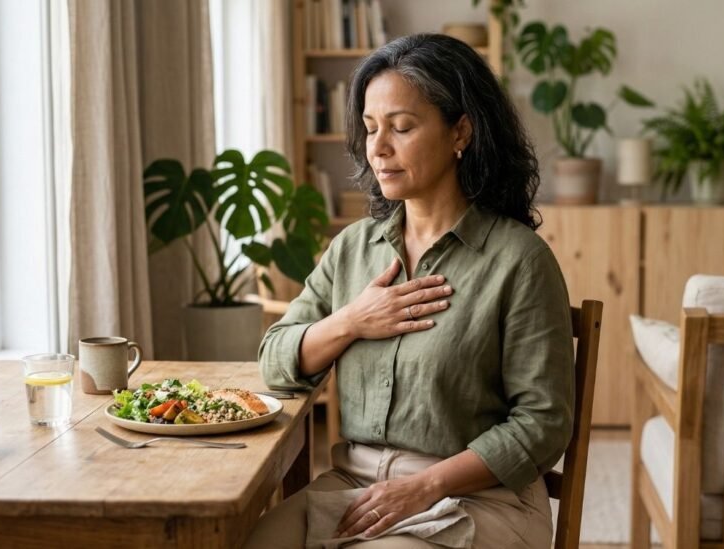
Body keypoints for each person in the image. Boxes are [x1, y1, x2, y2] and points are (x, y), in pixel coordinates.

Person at [243, 33, 574, 548]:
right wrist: (351, 321)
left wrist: (424, 486)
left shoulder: (519, 261)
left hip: (476, 497)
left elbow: (544, 423)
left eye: (402, 127)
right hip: (354, 487)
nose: (378, 148)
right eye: (371, 128)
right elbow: (275, 360)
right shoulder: (353, 248)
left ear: (460, 131)